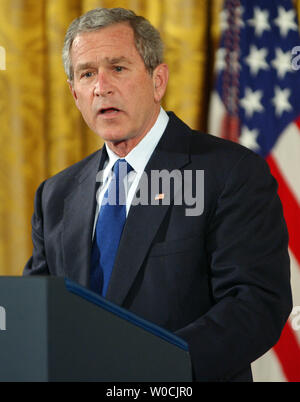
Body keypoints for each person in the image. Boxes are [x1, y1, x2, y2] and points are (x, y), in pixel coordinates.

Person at [23, 8, 292, 381]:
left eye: (118, 68)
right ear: (75, 93)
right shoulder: (55, 195)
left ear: (157, 80)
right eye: (87, 74)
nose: (101, 86)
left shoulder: (230, 173)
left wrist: (152, 365)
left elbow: (255, 304)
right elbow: (39, 315)